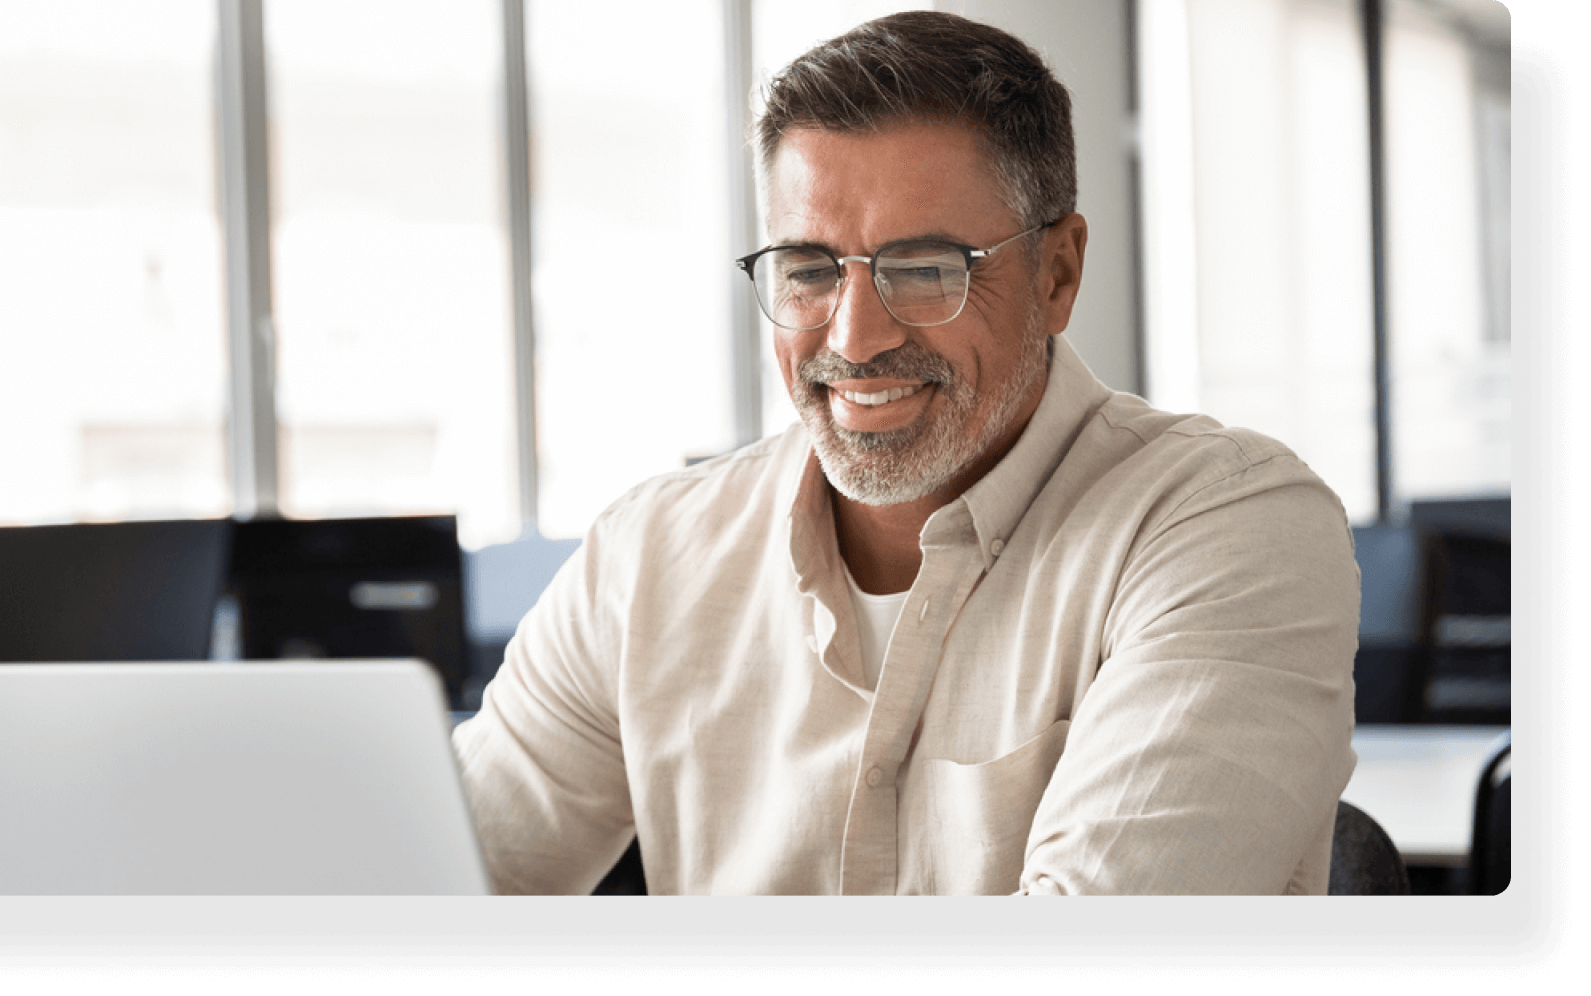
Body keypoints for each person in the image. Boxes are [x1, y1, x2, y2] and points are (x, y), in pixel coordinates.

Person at [452, 10, 1359, 895]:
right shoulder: (647, 556)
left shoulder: (1230, 528)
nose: (856, 336)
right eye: (808, 269)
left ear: (1057, 275)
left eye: (926, 268)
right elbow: (442, 868)